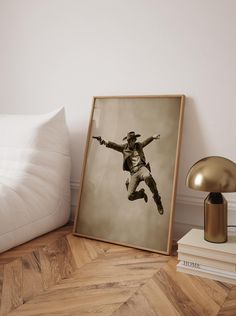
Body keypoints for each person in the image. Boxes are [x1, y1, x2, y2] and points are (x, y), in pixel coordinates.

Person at [93, 131, 164, 214]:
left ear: (134, 140)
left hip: (142, 168)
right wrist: (103, 141)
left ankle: (158, 201)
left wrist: (153, 137)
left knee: (148, 177)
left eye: (132, 141)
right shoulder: (124, 148)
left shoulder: (139, 145)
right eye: (129, 141)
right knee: (130, 196)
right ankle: (141, 194)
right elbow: (114, 145)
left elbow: (146, 142)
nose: (130, 143)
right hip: (134, 173)